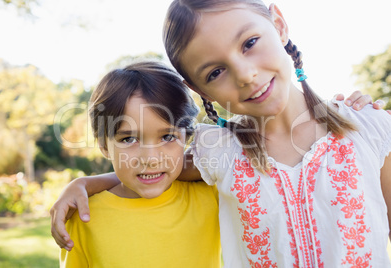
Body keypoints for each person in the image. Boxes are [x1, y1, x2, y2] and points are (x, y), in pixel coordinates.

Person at [51, 1, 391, 267]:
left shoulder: (370, 129)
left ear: (279, 25)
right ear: (200, 90)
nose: (245, 74)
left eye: (250, 42)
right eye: (215, 72)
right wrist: (84, 184)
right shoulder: (218, 152)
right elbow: (153, 166)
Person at [59, 61, 221, 267]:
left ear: (187, 137)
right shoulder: (84, 217)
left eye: (168, 136)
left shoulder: (212, 195)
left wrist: (87, 183)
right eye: (128, 139)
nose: (151, 159)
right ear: (104, 146)